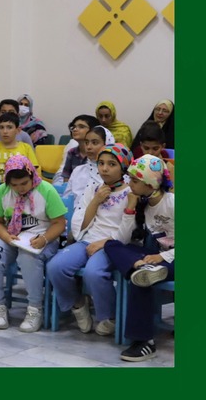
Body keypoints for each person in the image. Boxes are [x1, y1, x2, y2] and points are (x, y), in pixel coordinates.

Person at [47, 144, 133, 337]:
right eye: (101, 163)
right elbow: (80, 224)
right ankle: (78, 304)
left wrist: (104, 243)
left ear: (123, 168)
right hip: (87, 240)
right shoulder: (93, 188)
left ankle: (110, 316)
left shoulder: (130, 194)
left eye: (112, 164)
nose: (104, 168)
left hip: (113, 245)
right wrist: (95, 201)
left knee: (94, 273)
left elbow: (127, 233)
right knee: (55, 266)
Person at [0, 155, 68, 332]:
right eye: (14, 185)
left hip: (43, 237)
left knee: (27, 257)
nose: (20, 188)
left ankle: (35, 309)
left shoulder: (46, 190)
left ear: (32, 176)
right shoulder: (2, 191)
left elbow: (59, 224)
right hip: (12, 236)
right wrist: (6, 237)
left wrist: (44, 239)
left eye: (24, 183)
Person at [103, 155, 174, 361]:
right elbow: (122, 239)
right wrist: (129, 209)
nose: (129, 184)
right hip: (151, 259)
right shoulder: (141, 203)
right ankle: (139, 267)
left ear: (150, 184)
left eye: (134, 180)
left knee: (140, 280)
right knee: (111, 245)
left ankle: (144, 343)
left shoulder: (173, 202)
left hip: (174, 258)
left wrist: (162, 257)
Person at [0, 112, 39, 181]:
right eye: (1, 127)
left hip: (20, 186)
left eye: (9, 127)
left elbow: (33, 176)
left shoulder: (26, 148)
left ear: (18, 130)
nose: (5, 131)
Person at [53, 114, 99, 186]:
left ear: (93, 130)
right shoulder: (72, 152)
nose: (75, 129)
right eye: (73, 127)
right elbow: (66, 178)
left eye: (81, 127)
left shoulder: (98, 152)